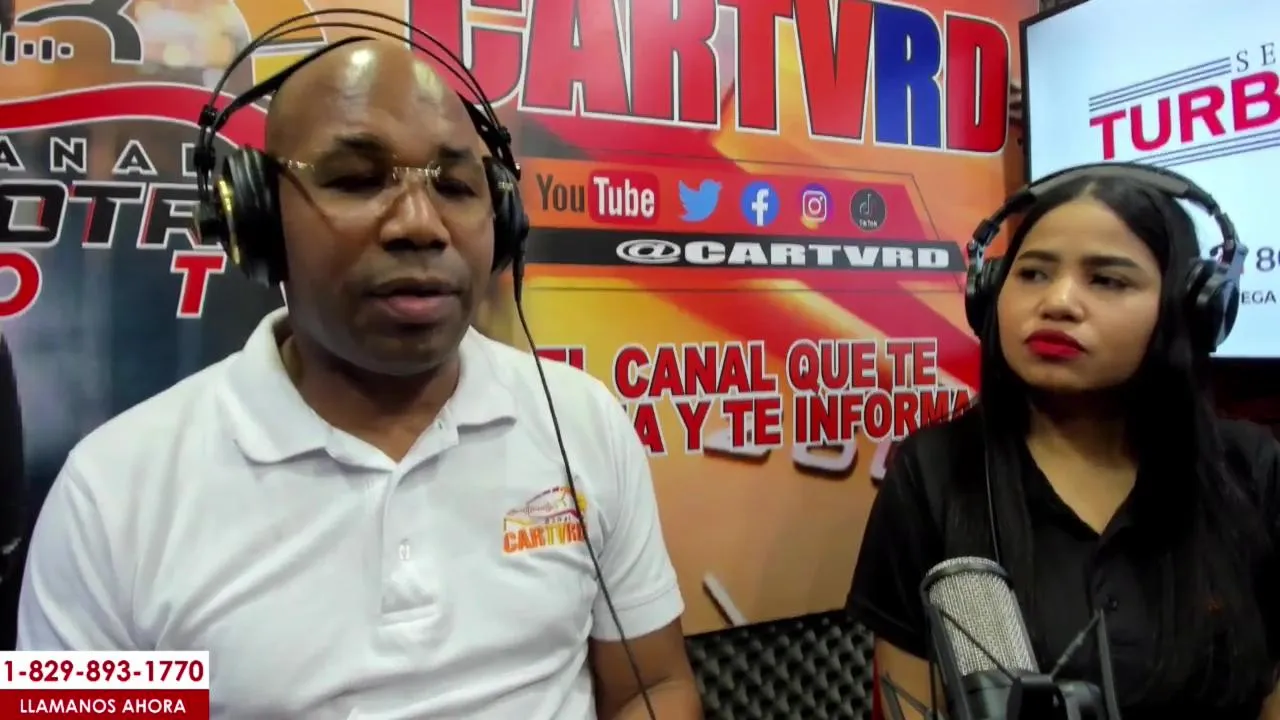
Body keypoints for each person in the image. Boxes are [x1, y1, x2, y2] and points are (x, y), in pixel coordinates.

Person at [17, 40, 701, 720]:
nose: (420, 225)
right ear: (257, 218)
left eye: (455, 187)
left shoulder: (580, 420)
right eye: (356, 180)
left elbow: (650, 687)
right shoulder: (113, 494)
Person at [847, 171, 1280, 720]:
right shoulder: (933, 474)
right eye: (1033, 273)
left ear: (1190, 309)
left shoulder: (1251, 470)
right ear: (990, 294)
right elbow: (907, 703)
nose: (1058, 302)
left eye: (1107, 280)